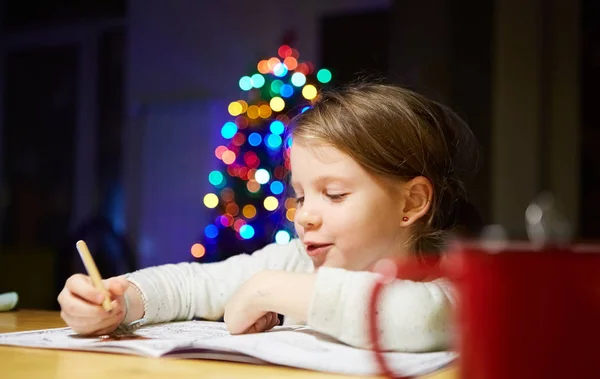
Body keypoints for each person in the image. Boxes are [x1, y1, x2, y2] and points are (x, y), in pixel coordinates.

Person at [58, 83, 482, 352]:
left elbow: (417, 317)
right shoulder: (296, 260)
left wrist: (266, 291)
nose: (305, 217)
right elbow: (191, 284)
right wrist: (117, 301)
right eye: (300, 194)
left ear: (411, 203)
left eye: (334, 194)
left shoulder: (457, 282)